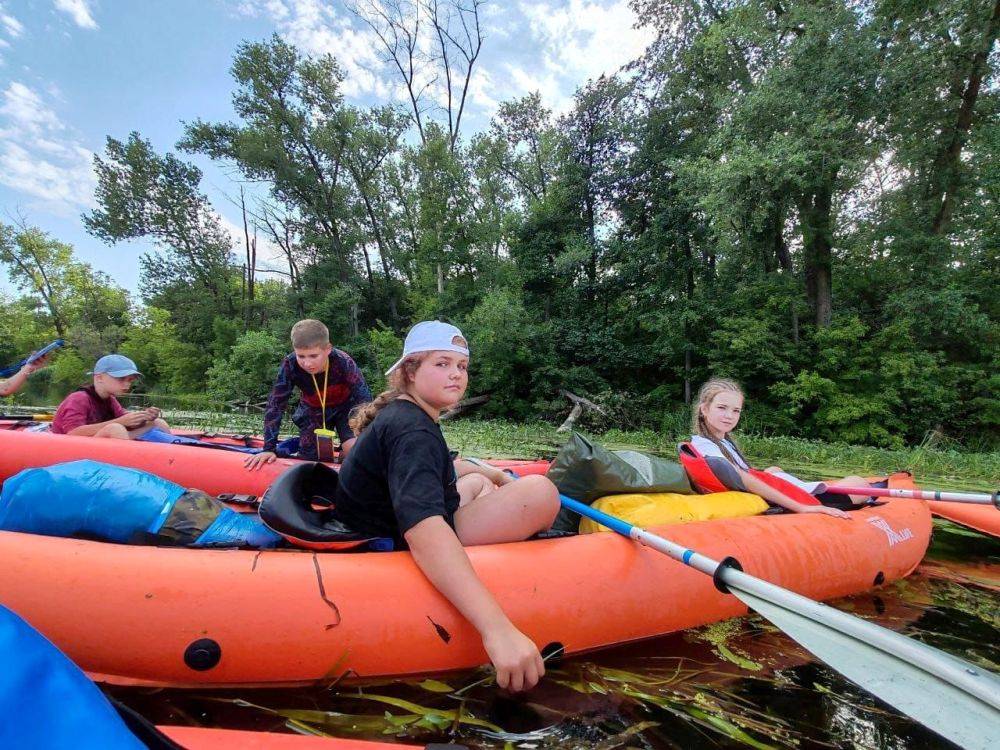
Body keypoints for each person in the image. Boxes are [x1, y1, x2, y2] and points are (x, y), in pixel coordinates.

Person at [333, 321, 560, 692]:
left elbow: (442, 472)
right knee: (540, 493)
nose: (456, 374)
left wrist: (492, 473)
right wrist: (497, 628)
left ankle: (489, 488)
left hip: (385, 514)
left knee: (477, 481)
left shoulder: (406, 414)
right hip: (390, 533)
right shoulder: (413, 430)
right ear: (410, 370)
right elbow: (423, 529)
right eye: (441, 364)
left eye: (461, 366)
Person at [686, 378, 872, 517]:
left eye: (736, 411)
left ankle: (806, 484)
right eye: (722, 408)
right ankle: (813, 490)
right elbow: (744, 478)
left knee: (774, 469)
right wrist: (801, 507)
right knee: (859, 483)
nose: (729, 416)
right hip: (776, 499)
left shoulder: (718, 441)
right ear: (704, 409)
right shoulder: (706, 447)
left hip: (766, 490)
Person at [245, 319, 372, 469]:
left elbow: (365, 401)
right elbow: (276, 404)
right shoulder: (290, 364)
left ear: (328, 349)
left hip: (346, 408)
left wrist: (366, 439)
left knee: (355, 450)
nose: (307, 364)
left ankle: (346, 454)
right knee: (309, 461)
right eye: (301, 356)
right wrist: (268, 449)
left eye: (313, 356)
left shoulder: (343, 362)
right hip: (313, 410)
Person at [51, 354, 170, 439]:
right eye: (121, 379)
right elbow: (72, 433)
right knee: (114, 429)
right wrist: (120, 422)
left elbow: (125, 420)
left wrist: (144, 417)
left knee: (158, 423)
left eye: (130, 380)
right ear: (99, 378)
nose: (127, 384)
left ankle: (171, 457)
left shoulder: (110, 399)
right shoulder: (78, 398)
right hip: (68, 448)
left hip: (95, 444)